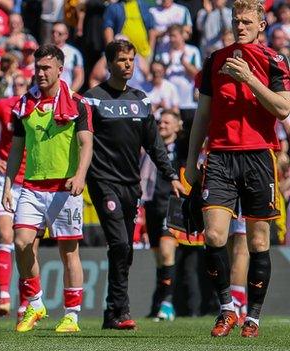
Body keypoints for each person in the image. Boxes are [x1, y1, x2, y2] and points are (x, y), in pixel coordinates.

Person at [184, 0, 290, 337]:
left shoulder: (275, 60)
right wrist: (190, 160)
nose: (239, 26)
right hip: (219, 156)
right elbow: (202, 114)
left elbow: (283, 108)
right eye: (235, 20)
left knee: (259, 240)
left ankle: (253, 318)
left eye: (246, 21)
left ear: (261, 25)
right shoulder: (215, 60)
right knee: (214, 234)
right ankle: (227, 309)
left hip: (260, 155)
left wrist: (248, 79)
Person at [84, 39, 183, 330]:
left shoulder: (140, 100)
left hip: (131, 184)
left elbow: (154, 145)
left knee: (124, 250)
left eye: (131, 60)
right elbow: (82, 142)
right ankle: (122, 309)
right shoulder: (92, 99)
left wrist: (172, 176)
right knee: (120, 242)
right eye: (122, 60)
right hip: (104, 182)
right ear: (109, 63)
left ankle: (111, 312)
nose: (128, 65)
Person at [3, 44, 94, 333]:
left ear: (59, 70)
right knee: (20, 242)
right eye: (37, 67)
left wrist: (80, 175)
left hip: (65, 187)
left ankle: (72, 315)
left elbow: (86, 143)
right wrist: (8, 184)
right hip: (31, 185)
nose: (40, 73)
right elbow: (16, 150)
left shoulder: (78, 103)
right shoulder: (24, 104)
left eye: (46, 68)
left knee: (69, 252)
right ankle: (36, 302)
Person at [0, 75, 30, 319]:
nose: (21, 87)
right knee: (6, 235)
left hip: (31, 181)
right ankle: (4, 296)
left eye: (24, 83)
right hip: (5, 180)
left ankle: (25, 303)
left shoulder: (37, 107)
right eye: (18, 84)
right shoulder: (2, 106)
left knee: (25, 242)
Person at [139, 110, 185, 321]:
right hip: (152, 205)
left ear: (177, 126)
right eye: (160, 122)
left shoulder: (182, 148)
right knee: (158, 258)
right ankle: (159, 303)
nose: (162, 125)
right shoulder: (151, 149)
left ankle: (167, 304)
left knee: (167, 253)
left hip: (171, 205)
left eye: (167, 122)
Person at [50, 22, 85, 92]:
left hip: (65, 93)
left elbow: (79, 77)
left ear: (66, 35)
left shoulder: (74, 53)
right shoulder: (44, 51)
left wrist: (70, 93)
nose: (55, 35)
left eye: (59, 33)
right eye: (53, 32)